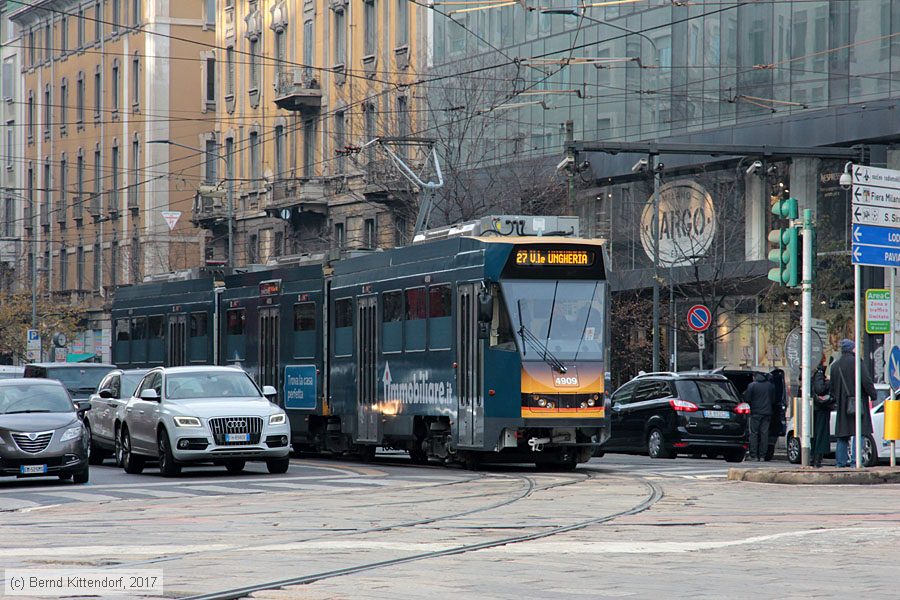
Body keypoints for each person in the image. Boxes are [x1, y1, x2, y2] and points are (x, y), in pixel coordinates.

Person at [829, 339, 876, 468]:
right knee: (859, 432)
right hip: (858, 403)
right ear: (852, 349)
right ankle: (856, 461)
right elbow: (866, 381)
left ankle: (840, 462)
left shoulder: (834, 366)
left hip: (842, 405)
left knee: (842, 435)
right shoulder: (857, 363)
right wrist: (873, 395)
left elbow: (832, 388)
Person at [744, 372, 775, 461]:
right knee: (764, 434)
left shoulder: (752, 385)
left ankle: (754, 455)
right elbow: (773, 400)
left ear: (755, 377)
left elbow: (747, 399)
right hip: (767, 413)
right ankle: (762, 456)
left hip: (755, 413)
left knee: (753, 433)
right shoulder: (770, 386)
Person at [810, 356, 833, 468]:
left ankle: (814, 458)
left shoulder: (813, 373)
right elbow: (820, 389)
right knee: (820, 435)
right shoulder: (819, 374)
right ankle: (816, 460)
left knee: (815, 435)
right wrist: (828, 382)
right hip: (820, 409)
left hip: (815, 409)